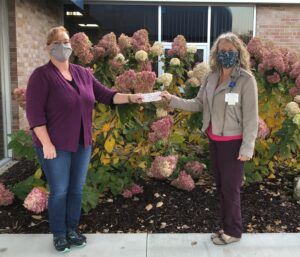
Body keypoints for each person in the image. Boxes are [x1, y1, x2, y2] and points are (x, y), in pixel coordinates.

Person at [25, 26, 143, 253]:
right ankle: (59, 234)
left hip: (82, 143)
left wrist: (130, 97)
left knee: (76, 190)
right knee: (59, 190)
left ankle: (72, 230)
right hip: (55, 146)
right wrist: (47, 144)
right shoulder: (41, 76)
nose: (63, 46)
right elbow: (35, 115)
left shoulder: (82, 73)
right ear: (48, 48)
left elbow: (106, 95)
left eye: (66, 41)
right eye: (57, 43)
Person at [161, 32, 258, 245]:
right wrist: (173, 100)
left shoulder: (245, 80)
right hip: (214, 141)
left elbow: (251, 117)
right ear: (216, 53)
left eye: (230, 51)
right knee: (221, 187)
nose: (226, 55)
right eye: (222, 51)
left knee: (231, 189)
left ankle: (233, 231)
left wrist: (247, 147)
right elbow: (198, 104)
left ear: (238, 53)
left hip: (234, 144)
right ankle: (225, 227)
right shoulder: (211, 77)